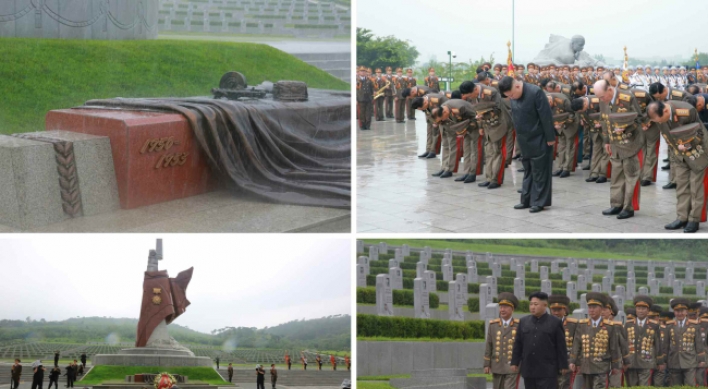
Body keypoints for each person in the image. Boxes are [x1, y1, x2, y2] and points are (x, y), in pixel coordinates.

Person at [647, 100, 708, 233]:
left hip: (697, 152)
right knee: (681, 186)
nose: (660, 123)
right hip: (679, 154)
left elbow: (700, 133)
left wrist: (686, 146)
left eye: (660, 120)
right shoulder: (659, 118)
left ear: (666, 111)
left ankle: (694, 219)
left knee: (696, 187)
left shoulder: (687, 111)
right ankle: (682, 217)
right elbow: (668, 137)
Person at [499, 76, 556, 213]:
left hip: (539, 137)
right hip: (524, 139)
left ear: (518, 86)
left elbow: (546, 115)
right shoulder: (513, 96)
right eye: (509, 96)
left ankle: (539, 202)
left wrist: (550, 137)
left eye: (512, 94)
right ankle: (526, 200)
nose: (511, 98)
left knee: (540, 171)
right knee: (528, 170)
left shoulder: (535, 92)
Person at [594, 79, 645, 220]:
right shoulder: (602, 99)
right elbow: (603, 120)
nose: (601, 100)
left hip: (630, 143)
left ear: (610, 90)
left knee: (630, 175)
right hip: (614, 143)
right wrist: (606, 141)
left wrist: (626, 127)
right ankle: (616, 204)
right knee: (616, 175)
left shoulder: (627, 98)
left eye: (602, 96)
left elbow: (639, 119)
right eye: (599, 97)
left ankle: (628, 207)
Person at [510, 291, 568, 389]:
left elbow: (561, 346)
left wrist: (563, 365)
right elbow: (518, 344)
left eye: (536, 304)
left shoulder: (555, 322)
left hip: (548, 369)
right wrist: (514, 362)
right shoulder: (524, 321)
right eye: (531, 304)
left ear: (545, 305)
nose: (532, 307)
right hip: (529, 368)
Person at [569, 292, 622, 389]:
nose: (591, 310)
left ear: (601, 309)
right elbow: (577, 344)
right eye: (590, 307)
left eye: (594, 307)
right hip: (586, 365)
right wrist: (572, 361)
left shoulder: (609, 326)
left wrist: (615, 365)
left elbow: (613, 347)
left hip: (601, 366)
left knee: (599, 386)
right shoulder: (582, 325)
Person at [665, 298, 706, 385]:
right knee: (675, 385)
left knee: (690, 384)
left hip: (690, 360)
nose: (680, 313)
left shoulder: (694, 325)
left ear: (686, 311)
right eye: (677, 311)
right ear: (674, 312)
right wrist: (664, 360)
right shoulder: (669, 325)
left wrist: (701, 360)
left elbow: (698, 344)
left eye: (682, 311)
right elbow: (666, 345)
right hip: (674, 361)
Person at [624, 295, 663, 386]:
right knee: (632, 385)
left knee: (644, 386)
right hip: (631, 361)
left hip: (646, 361)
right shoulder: (628, 324)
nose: (641, 311)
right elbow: (624, 343)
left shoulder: (654, 325)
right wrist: (624, 361)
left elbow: (658, 344)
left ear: (648, 310)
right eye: (638, 308)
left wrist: (660, 361)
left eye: (643, 308)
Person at [484, 292, 520, 389]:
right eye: (501, 307)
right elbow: (489, 345)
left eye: (505, 307)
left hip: (512, 366)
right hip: (497, 365)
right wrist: (486, 364)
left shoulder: (518, 325)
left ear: (512, 309)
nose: (502, 310)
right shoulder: (493, 325)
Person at [548, 295, 578, 389]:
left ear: (565, 310)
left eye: (559, 310)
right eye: (554, 310)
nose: (556, 312)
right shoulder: (544, 323)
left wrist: (574, 362)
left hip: (566, 364)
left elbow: (576, 345)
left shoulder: (572, 325)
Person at [356, 66, 374, 130]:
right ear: (359, 72)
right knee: (361, 113)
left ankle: (368, 125)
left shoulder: (369, 80)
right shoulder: (357, 80)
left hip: (368, 99)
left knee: (368, 113)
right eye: (361, 71)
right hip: (361, 99)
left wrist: (373, 97)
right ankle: (362, 125)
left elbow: (372, 89)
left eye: (364, 71)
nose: (363, 72)